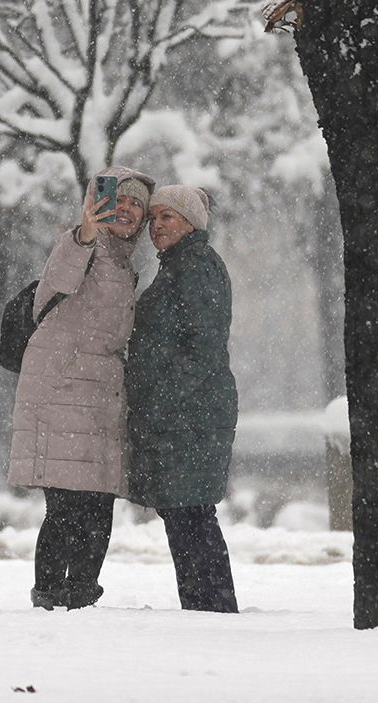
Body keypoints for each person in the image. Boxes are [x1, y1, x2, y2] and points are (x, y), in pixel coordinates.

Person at [8, 165, 156, 610]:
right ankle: (52, 593)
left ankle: (81, 593)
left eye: (137, 205)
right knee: (68, 504)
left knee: (98, 505)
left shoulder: (127, 263)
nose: (127, 210)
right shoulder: (82, 245)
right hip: (62, 392)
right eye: (120, 200)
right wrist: (86, 229)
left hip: (100, 397)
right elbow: (62, 275)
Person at [125, 184, 240, 613]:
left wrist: (159, 401)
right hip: (184, 414)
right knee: (185, 514)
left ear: (191, 222)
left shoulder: (196, 268)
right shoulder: (178, 266)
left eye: (166, 217)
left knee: (191, 515)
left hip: (191, 416)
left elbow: (203, 348)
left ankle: (213, 610)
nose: (156, 226)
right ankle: (206, 608)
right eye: (153, 219)